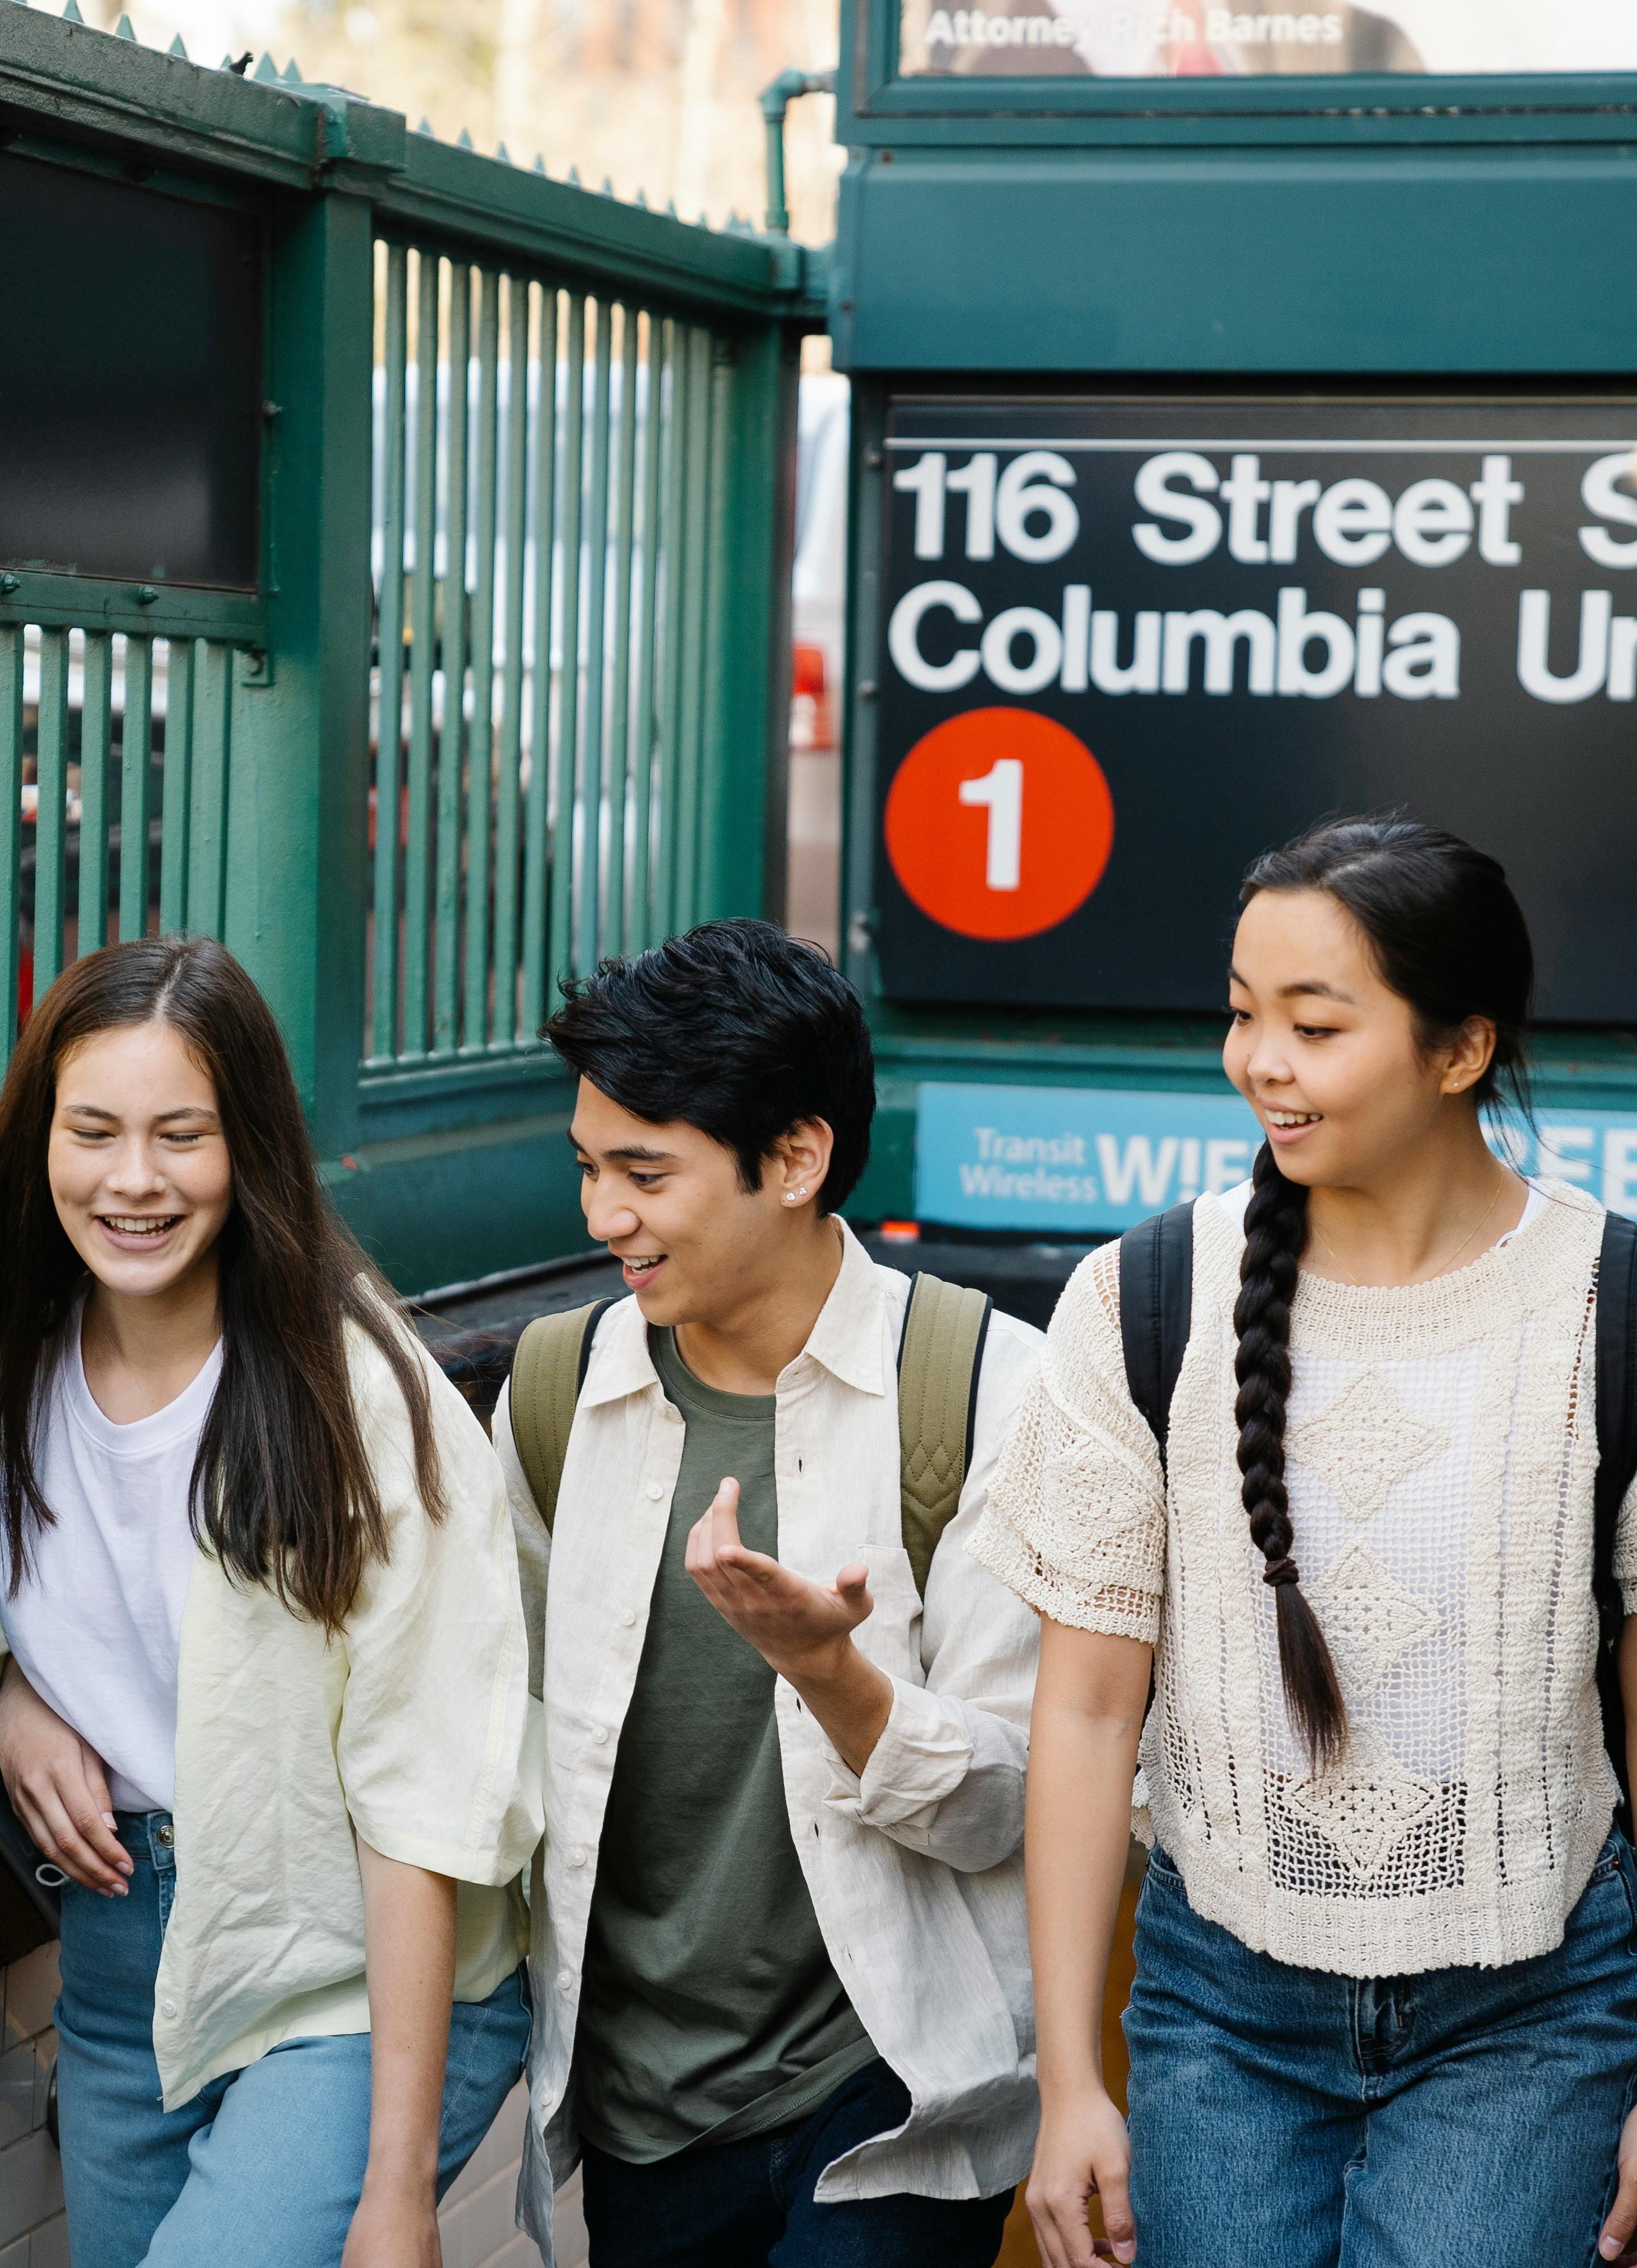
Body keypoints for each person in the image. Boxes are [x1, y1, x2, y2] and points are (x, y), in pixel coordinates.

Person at [986, 818, 1637, 2268]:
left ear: (1460, 1049)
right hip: (1218, 2009)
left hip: (1538, 2016)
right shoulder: (1144, 1299)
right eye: (1243, 1013)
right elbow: (1085, 1704)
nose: (1259, 1062)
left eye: (1314, 1024)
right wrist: (1070, 2082)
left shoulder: (1636, 1312)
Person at [0, 934, 536, 2268]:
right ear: (39, 1143)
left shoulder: (358, 1398)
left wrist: (400, 2187)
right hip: (117, 1964)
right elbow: (15, 1612)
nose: (132, 1179)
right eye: (92, 1131)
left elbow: (424, 1798)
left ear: (248, 1147)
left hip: (346, 1975)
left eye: (181, 1135)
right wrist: (20, 1691)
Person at [494, 917, 1047, 2267]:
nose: (601, 1214)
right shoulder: (560, 1391)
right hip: (643, 2112)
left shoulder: (986, 1388)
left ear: (795, 1157)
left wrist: (834, 1674)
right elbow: (489, 1734)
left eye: (644, 1171)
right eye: (587, 1166)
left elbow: (1012, 1802)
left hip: (894, 2095)